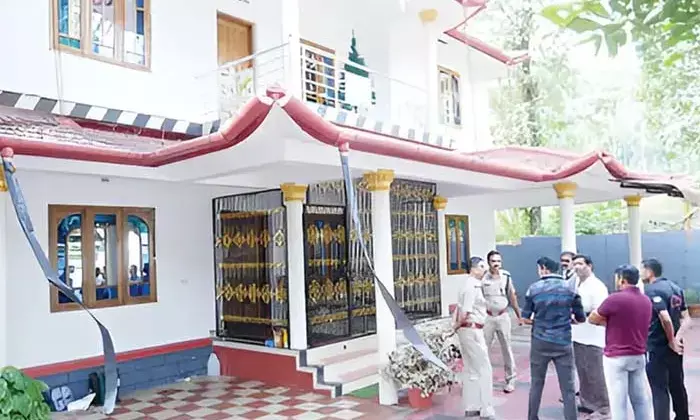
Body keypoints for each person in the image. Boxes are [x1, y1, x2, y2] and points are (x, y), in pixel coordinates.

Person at [522, 256, 584, 420]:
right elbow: (580, 317)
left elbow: (525, 318)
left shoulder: (534, 288)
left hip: (540, 342)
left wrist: (539, 321)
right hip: (563, 342)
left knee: (536, 383)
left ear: (543, 268)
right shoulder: (570, 288)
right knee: (568, 387)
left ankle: (532, 417)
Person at [588, 264, 652, 420]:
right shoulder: (646, 300)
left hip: (616, 356)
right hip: (638, 354)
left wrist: (610, 323)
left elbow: (593, 318)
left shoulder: (614, 299)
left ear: (622, 279)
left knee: (618, 402)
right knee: (640, 400)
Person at [642, 258, 692, 420]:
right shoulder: (676, 288)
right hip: (676, 346)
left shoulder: (652, 290)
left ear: (649, 271)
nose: (640, 273)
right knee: (677, 384)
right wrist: (677, 339)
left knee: (659, 388)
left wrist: (671, 341)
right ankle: (682, 416)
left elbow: (665, 318)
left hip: (658, 344)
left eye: (642, 269)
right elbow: (687, 318)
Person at [453, 256, 496, 419]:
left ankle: (472, 405)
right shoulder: (472, 286)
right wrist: (455, 326)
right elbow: (465, 312)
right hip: (472, 330)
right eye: (482, 266)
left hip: (467, 330)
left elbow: (459, 309)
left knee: (471, 369)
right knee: (484, 368)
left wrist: (456, 327)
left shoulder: (468, 284)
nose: (485, 269)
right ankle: (486, 408)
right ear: (474, 268)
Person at [570, 254, 610, 416]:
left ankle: (603, 407)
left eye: (580, 264)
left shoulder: (597, 286)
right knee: (583, 371)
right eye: (574, 264)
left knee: (596, 373)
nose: (576, 267)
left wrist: (581, 316)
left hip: (593, 336)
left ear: (589, 266)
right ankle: (587, 402)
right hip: (578, 334)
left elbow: (600, 311)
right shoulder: (574, 283)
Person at [482, 250, 522, 393]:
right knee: (484, 348)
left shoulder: (506, 276)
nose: (496, 264)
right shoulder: (483, 278)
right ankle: (484, 379)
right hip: (488, 317)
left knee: (507, 348)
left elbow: (512, 296)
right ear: (488, 262)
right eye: (493, 261)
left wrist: (519, 315)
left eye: (498, 261)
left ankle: (510, 379)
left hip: (503, 316)